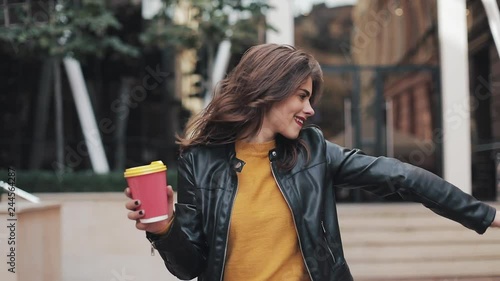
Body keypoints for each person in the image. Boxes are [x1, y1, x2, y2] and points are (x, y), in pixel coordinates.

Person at [125, 43, 500, 281]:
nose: (310, 109)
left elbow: (402, 176)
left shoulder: (312, 151)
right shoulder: (199, 160)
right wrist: (163, 227)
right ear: (267, 90)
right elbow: (189, 268)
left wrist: (486, 215)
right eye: (302, 96)